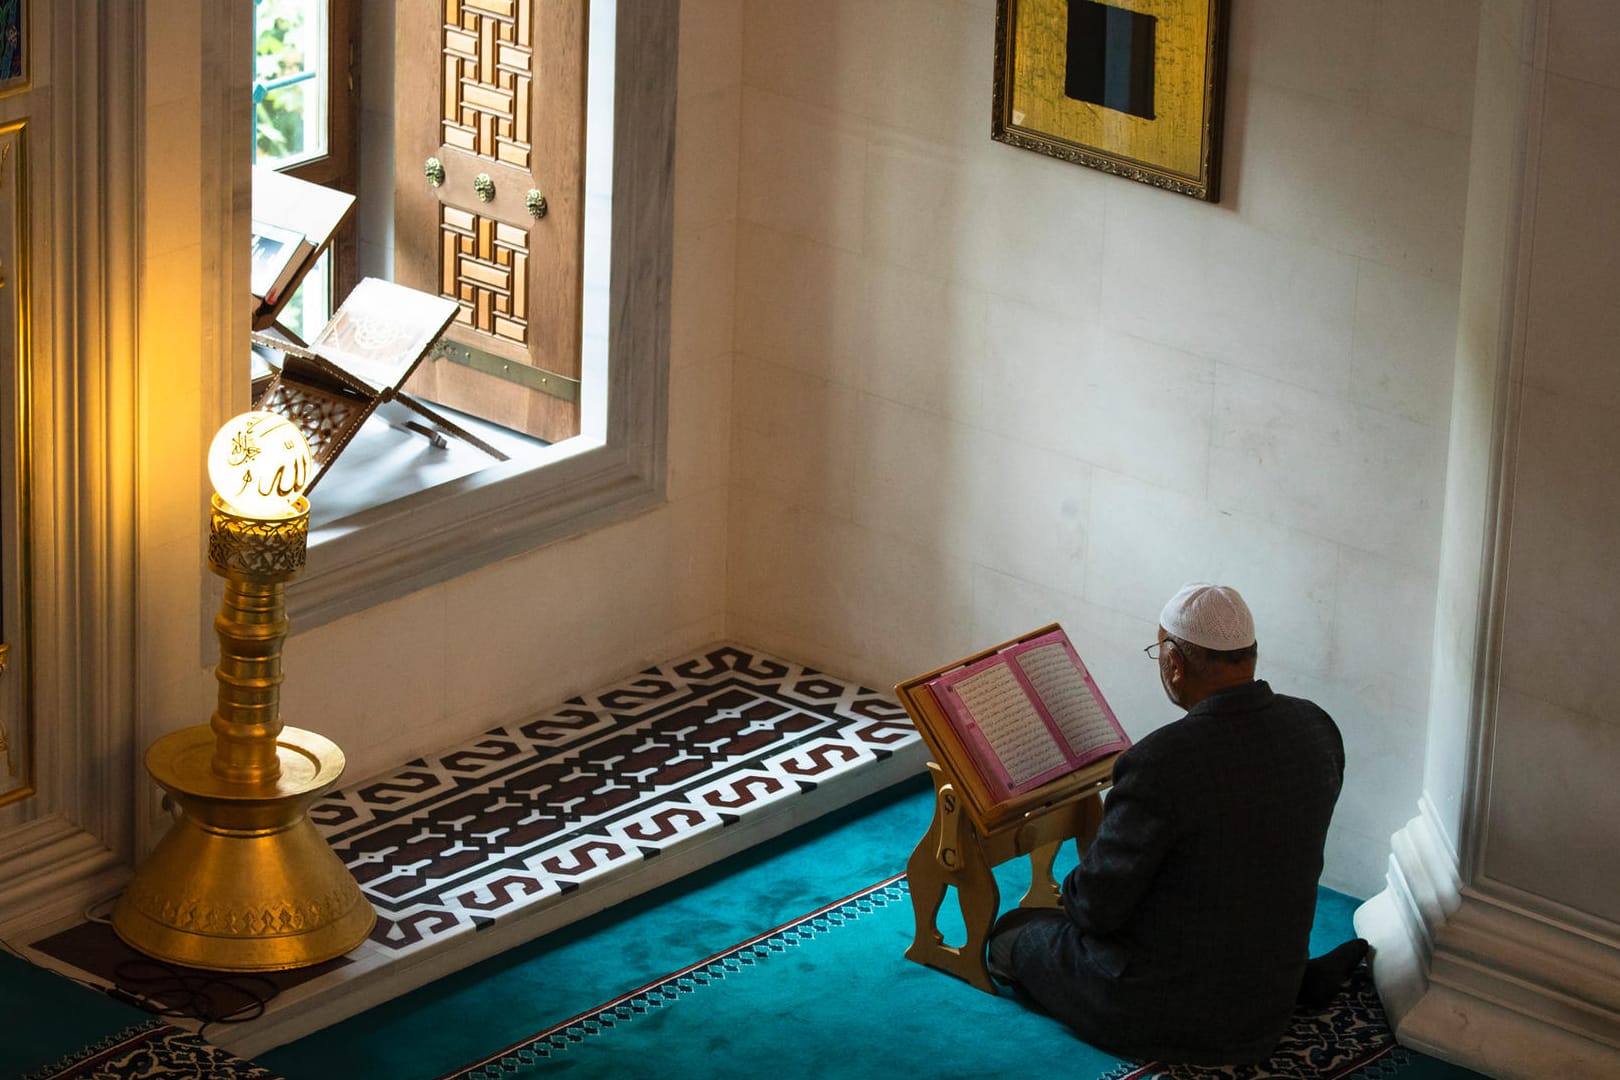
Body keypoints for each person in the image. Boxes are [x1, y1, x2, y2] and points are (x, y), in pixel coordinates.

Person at [987, 583, 1360, 1065]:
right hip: (1269, 996)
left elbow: (1094, 911)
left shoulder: (1161, 762)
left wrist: (1082, 874)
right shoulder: (1316, 728)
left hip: (1167, 1010)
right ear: (1249, 655)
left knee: (1014, 933)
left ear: (1174, 662)